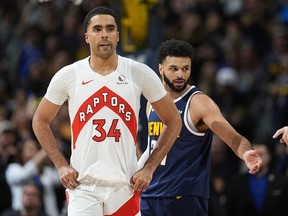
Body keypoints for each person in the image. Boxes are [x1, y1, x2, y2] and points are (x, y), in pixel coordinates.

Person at [32, 6, 181, 216]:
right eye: (97, 29)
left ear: (118, 35)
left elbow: (174, 121)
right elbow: (40, 121)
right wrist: (61, 165)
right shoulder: (69, 74)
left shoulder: (138, 72)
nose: (104, 34)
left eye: (110, 29)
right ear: (86, 36)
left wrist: (149, 168)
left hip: (126, 185)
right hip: (82, 187)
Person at [138, 39, 262, 216]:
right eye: (174, 69)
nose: (180, 74)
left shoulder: (199, 103)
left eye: (185, 69)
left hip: (183, 197)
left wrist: (246, 153)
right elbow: (152, 147)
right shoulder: (153, 101)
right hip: (150, 194)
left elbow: (234, 138)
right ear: (161, 69)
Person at [225, 143, 288, 216]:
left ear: (269, 157)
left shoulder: (281, 181)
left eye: (261, 154)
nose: (257, 159)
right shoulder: (235, 182)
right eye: (253, 155)